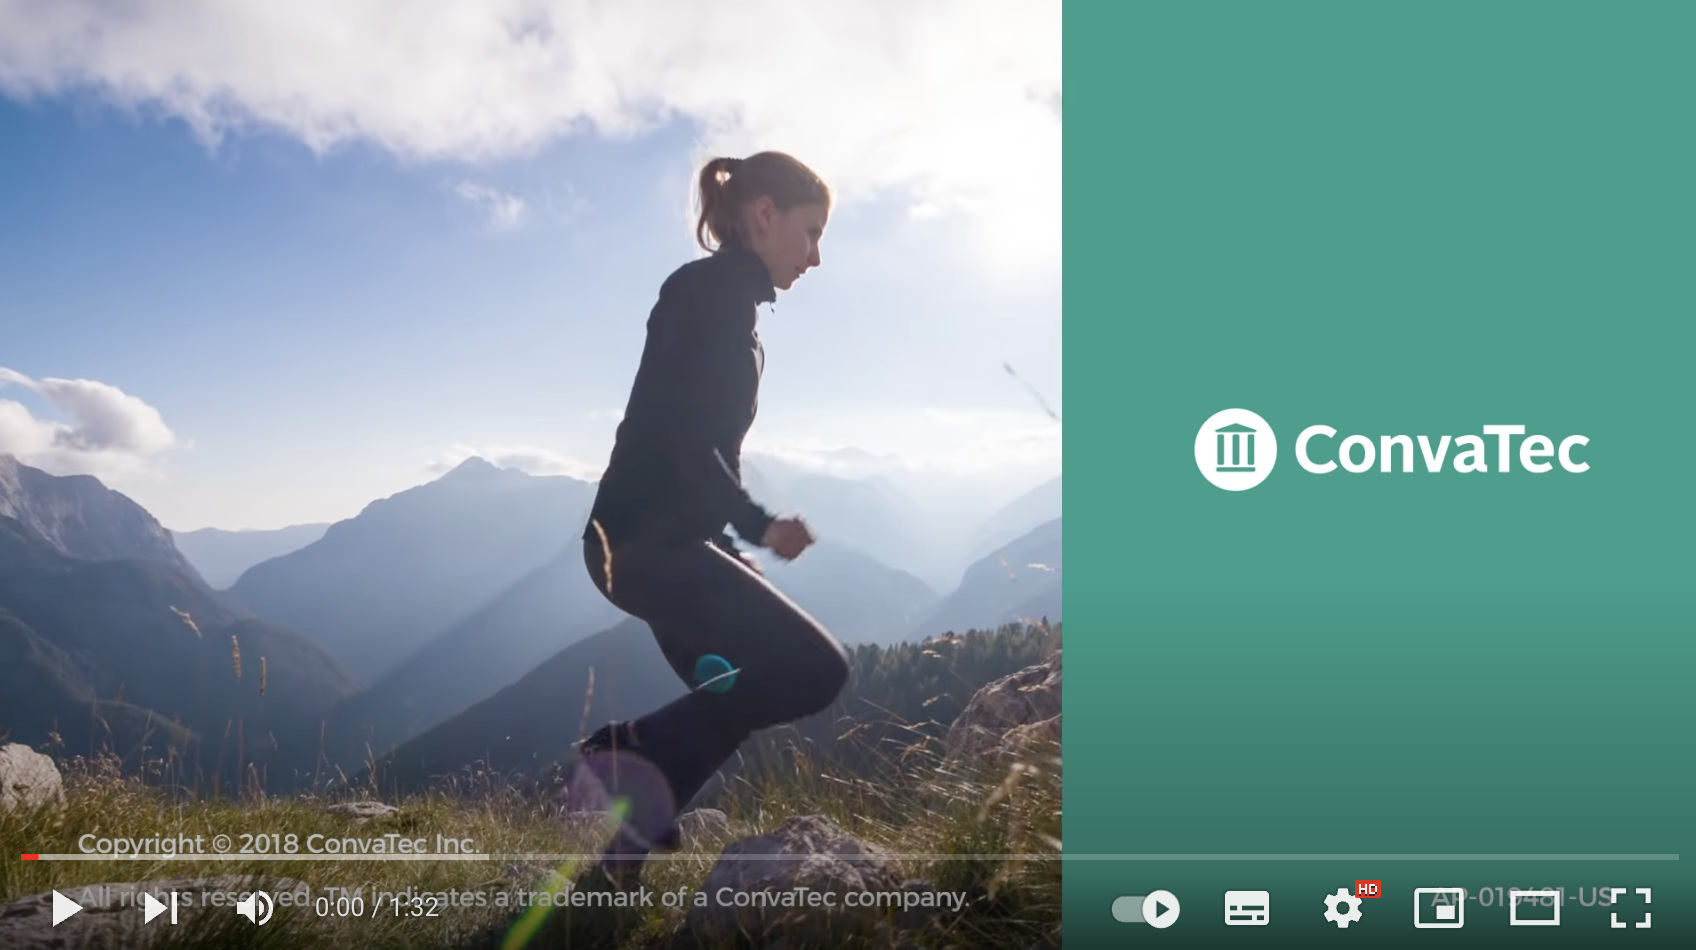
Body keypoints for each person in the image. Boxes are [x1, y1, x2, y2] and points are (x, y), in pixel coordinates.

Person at [573, 151, 852, 889]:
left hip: (654, 539)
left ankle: (615, 871)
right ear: (764, 214)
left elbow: (690, 444)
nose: (816, 257)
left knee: (728, 689)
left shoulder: (727, 304)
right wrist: (758, 525)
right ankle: (629, 747)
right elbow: (687, 439)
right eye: (811, 232)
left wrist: (725, 542)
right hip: (643, 545)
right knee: (817, 670)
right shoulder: (709, 295)